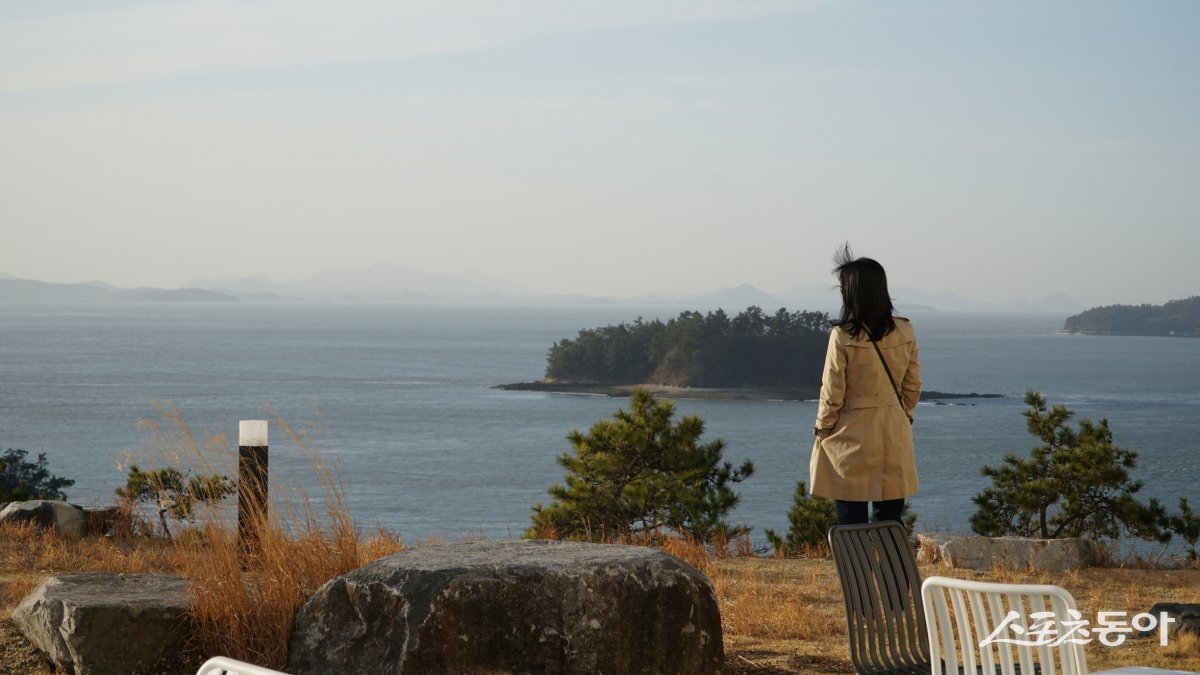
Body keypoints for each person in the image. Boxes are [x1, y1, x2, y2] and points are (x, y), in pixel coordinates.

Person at [809, 244, 920, 525]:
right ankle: (891, 570)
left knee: (851, 521)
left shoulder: (843, 335)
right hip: (894, 429)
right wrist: (901, 414)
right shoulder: (905, 330)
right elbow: (913, 386)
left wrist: (822, 429)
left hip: (852, 432)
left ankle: (857, 570)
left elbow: (832, 392)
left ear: (853, 293)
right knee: (890, 519)